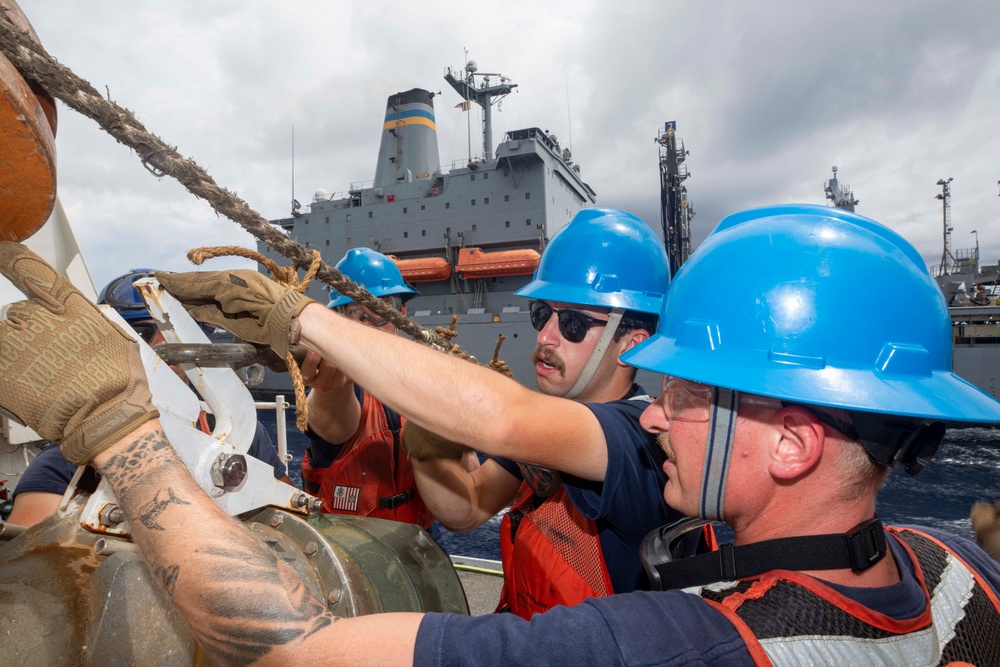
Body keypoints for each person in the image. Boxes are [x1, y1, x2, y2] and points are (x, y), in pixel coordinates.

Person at [2, 203, 1000, 665]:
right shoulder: (957, 565)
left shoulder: (672, 643)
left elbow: (294, 651)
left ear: (791, 441)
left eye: (692, 394)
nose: (655, 413)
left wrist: (121, 429)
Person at [403, 208, 707, 616]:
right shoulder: (543, 427)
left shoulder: (639, 438)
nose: (545, 335)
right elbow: (466, 507)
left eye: (574, 324)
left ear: (632, 345)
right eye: (541, 314)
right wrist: (428, 447)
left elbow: (504, 418)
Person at [6, 268, 290, 527]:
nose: (165, 345)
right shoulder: (64, 464)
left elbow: (291, 518)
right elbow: (37, 570)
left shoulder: (244, 435)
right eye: (143, 331)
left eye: (183, 328)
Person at [298, 247, 436, 529]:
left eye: (379, 311)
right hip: (349, 546)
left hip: (420, 539)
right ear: (339, 318)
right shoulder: (340, 383)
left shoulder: (420, 381)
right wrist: (327, 390)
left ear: (401, 313)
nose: (368, 325)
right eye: (356, 312)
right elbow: (332, 423)